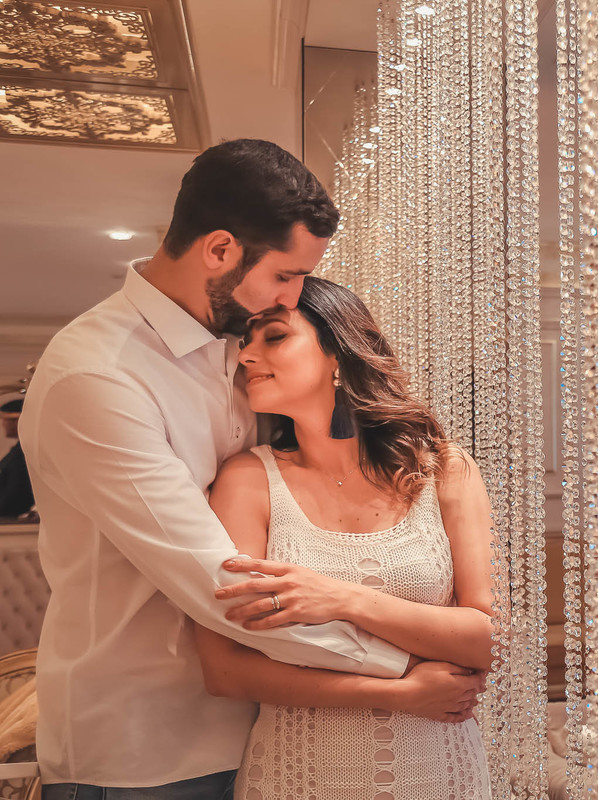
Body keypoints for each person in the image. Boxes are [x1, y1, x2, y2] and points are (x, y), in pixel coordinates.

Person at [21, 139, 483, 800]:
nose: (291, 297)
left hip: (269, 730)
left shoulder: (229, 347)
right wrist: (409, 667)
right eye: (285, 275)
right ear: (219, 250)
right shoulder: (99, 376)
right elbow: (225, 586)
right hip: (145, 747)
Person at [194, 277, 494, 799]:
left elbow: (488, 639)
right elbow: (226, 668)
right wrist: (400, 693)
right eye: (245, 341)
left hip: (441, 772)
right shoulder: (247, 480)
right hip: (300, 774)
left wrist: (343, 598)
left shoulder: (444, 470)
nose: (246, 356)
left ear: (337, 353)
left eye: (274, 337)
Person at [0, 398, 34, 517]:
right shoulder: (19, 450)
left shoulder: (22, 453)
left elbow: (17, 492)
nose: (3, 424)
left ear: (18, 421)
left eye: (6, 420)